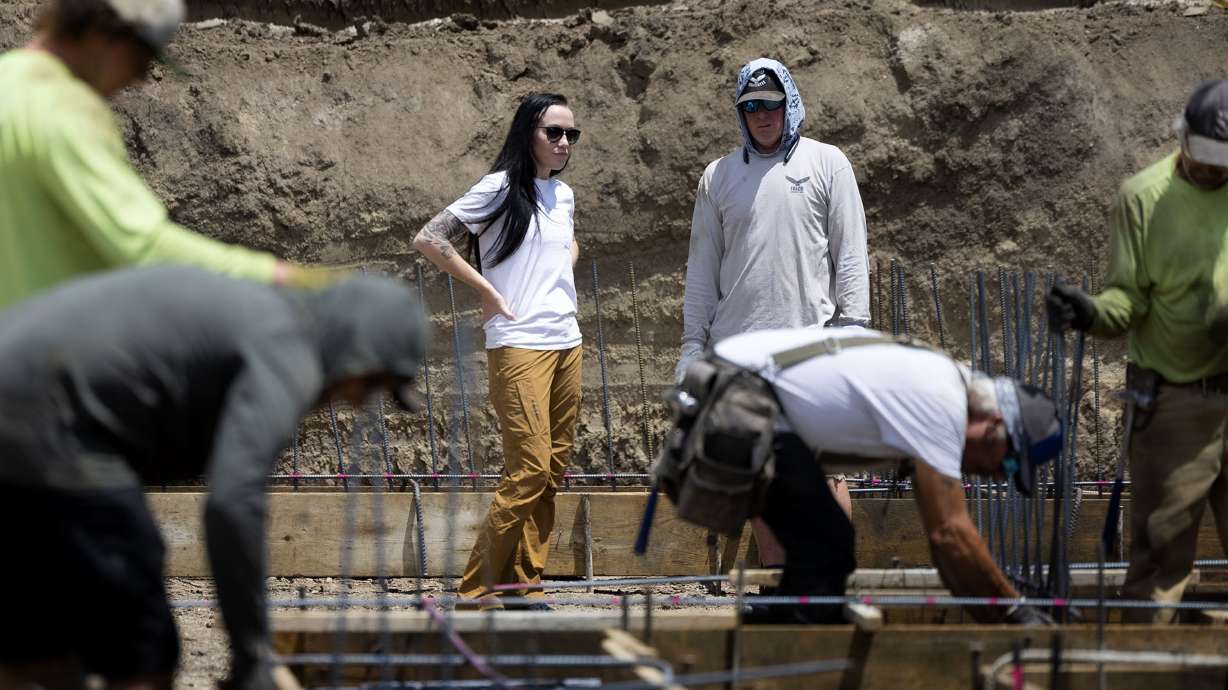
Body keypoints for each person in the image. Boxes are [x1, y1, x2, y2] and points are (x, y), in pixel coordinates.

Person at [0, 266, 428, 690]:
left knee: (39, 643)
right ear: (354, 347)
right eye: (371, 384)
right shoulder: (287, 349)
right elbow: (232, 502)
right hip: (49, 422)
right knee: (143, 647)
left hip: (24, 406)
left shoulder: (262, 318)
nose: (358, 402)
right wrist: (252, 653)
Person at [668, 327, 1061, 624]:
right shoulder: (944, 404)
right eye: (1007, 464)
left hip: (734, 389)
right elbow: (950, 533)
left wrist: (993, 615)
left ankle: (776, 640)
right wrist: (1017, 612)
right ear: (994, 425)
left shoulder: (943, 388)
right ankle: (782, 651)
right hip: (738, 398)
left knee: (820, 564)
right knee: (829, 552)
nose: (995, 476)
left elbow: (943, 549)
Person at [677, 57, 871, 576]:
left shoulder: (828, 164)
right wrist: (692, 346)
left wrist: (853, 329)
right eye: (751, 107)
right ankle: (783, 587)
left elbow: (849, 254)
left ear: (790, 103)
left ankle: (830, 583)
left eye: (772, 104)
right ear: (741, 113)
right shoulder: (718, 177)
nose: (763, 115)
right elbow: (702, 266)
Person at [0, 0, 323, 311]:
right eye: (140, 60)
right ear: (104, 33)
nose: (139, 78)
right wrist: (283, 277)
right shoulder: (64, 109)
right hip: (58, 356)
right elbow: (145, 248)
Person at [1047, 80, 1228, 623]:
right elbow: (1127, 301)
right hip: (1176, 405)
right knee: (1159, 561)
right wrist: (1089, 312)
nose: (1213, 172)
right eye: (1206, 160)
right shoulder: (1144, 198)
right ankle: (1146, 669)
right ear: (1184, 138)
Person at [413, 92, 582, 609]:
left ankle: (522, 583)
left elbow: (568, 245)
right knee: (529, 465)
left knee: (552, 468)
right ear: (527, 133)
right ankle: (476, 587)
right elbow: (430, 238)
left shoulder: (563, 196)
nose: (563, 142)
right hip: (518, 345)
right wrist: (487, 290)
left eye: (571, 134)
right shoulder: (500, 189)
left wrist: (558, 274)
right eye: (553, 132)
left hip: (566, 342)